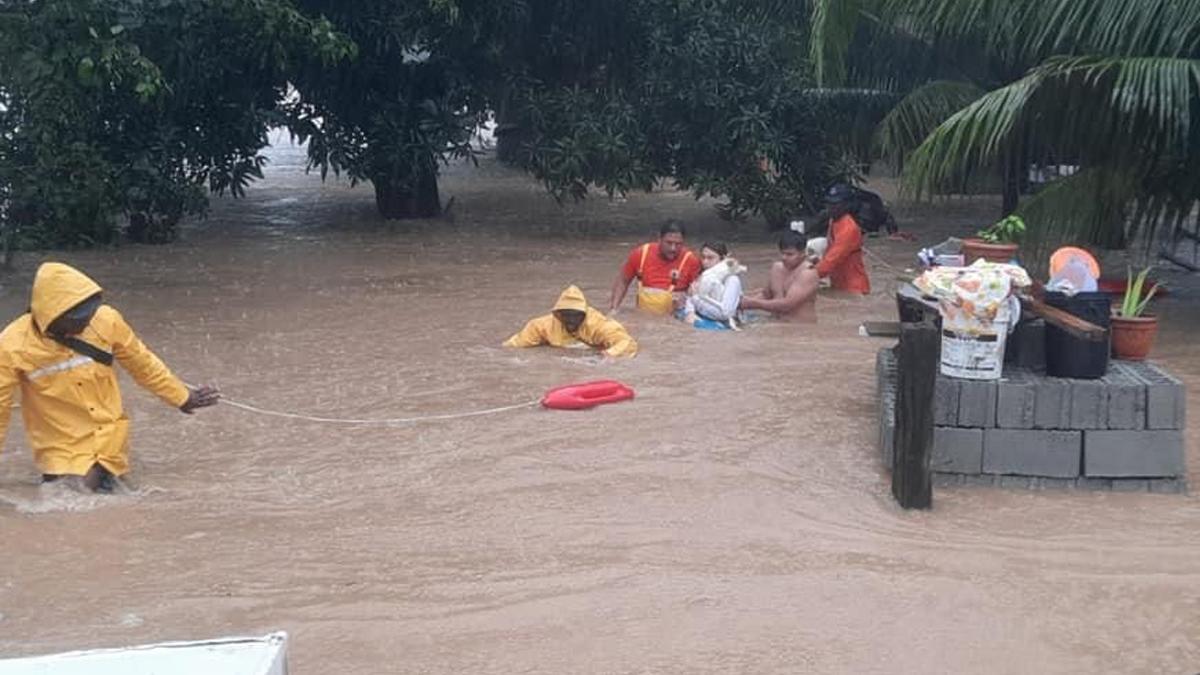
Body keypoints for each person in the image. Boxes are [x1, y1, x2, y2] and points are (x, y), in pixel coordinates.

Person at [0, 262, 220, 492]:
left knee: (92, 498)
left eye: (90, 313)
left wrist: (182, 397)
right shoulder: (11, 346)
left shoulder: (107, 320)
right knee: (72, 499)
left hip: (109, 436)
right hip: (60, 445)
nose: (87, 321)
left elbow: (142, 363)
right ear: (52, 315)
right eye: (78, 318)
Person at [505, 285, 638, 357]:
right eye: (566, 315)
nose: (571, 320)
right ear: (558, 314)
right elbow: (514, 345)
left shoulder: (601, 325)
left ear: (584, 314)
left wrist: (605, 356)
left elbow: (627, 343)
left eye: (575, 315)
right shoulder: (542, 325)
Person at [609, 221, 702, 315]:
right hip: (643, 316)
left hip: (675, 317)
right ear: (659, 239)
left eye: (678, 244)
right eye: (669, 243)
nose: (673, 248)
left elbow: (699, 293)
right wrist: (614, 309)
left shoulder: (691, 260)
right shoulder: (641, 254)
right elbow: (623, 280)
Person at [739, 231, 820, 322]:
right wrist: (739, 304)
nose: (784, 257)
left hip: (799, 329)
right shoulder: (776, 268)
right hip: (776, 324)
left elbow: (788, 305)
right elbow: (766, 294)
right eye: (782, 253)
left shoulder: (808, 273)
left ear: (802, 253)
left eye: (790, 254)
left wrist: (752, 303)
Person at [816, 184, 871, 294]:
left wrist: (803, 276)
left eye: (836, 204)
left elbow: (831, 261)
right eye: (829, 203)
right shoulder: (834, 220)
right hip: (840, 287)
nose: (831, 207)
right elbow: (829, 254)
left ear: (847, 205)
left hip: (854, 290)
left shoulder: (849, 229)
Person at [682, 242, 743, 326]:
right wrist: (690, 312)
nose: (705, 262)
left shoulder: (732, 280)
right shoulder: (703, 276)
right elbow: (690, 296)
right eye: (703, 257)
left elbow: (725, 314)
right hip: (704, 319)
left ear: (723, 259)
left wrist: (696, 299)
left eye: (710, 258)